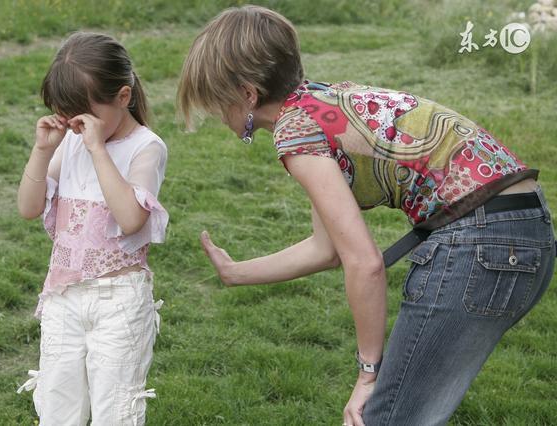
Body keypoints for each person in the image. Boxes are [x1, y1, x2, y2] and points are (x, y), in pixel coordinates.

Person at [177, 6, 555, 426]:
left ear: (247, 94)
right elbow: (328, 248)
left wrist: (367, 373)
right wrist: (235, 272)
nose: (214, 112)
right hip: (526, 232)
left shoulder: (296, 133)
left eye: (215, 100)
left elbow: (365, 263)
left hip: (481, 241)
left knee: (382, 417)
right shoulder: (323, 106)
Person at [15, 32, 168, 426]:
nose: (74, 124)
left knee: (115, 410)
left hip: (119, 303)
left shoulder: (145, 147)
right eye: (67, 114)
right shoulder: (68, 142)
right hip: (63, 297)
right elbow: (28, 208)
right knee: (56, 407)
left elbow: (132, 218)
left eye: (83, 113)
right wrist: (43, 150)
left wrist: (97, 149)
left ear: (122, 96)